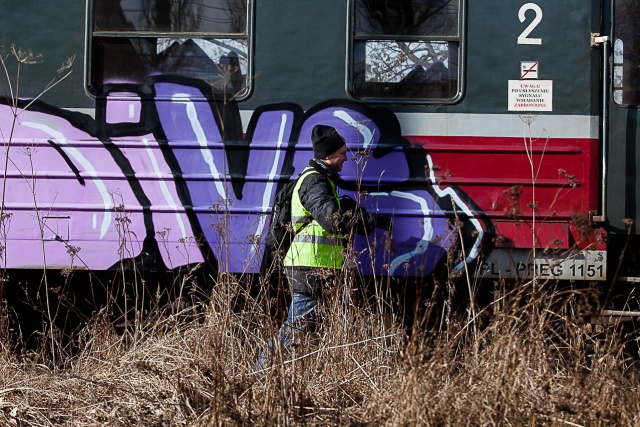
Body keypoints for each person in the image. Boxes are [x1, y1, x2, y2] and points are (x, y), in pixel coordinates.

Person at [257, 124, 391, 367]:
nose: (346, 158)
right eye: (341, 153)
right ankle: (260, 372)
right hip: (309, 265)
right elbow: (332, 219)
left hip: (315, 265)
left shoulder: (322, 180)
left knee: (307, 326)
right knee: (296, 326)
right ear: (328, 156)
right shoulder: (315, 181)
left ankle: (291, 373)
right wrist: (372, 221)